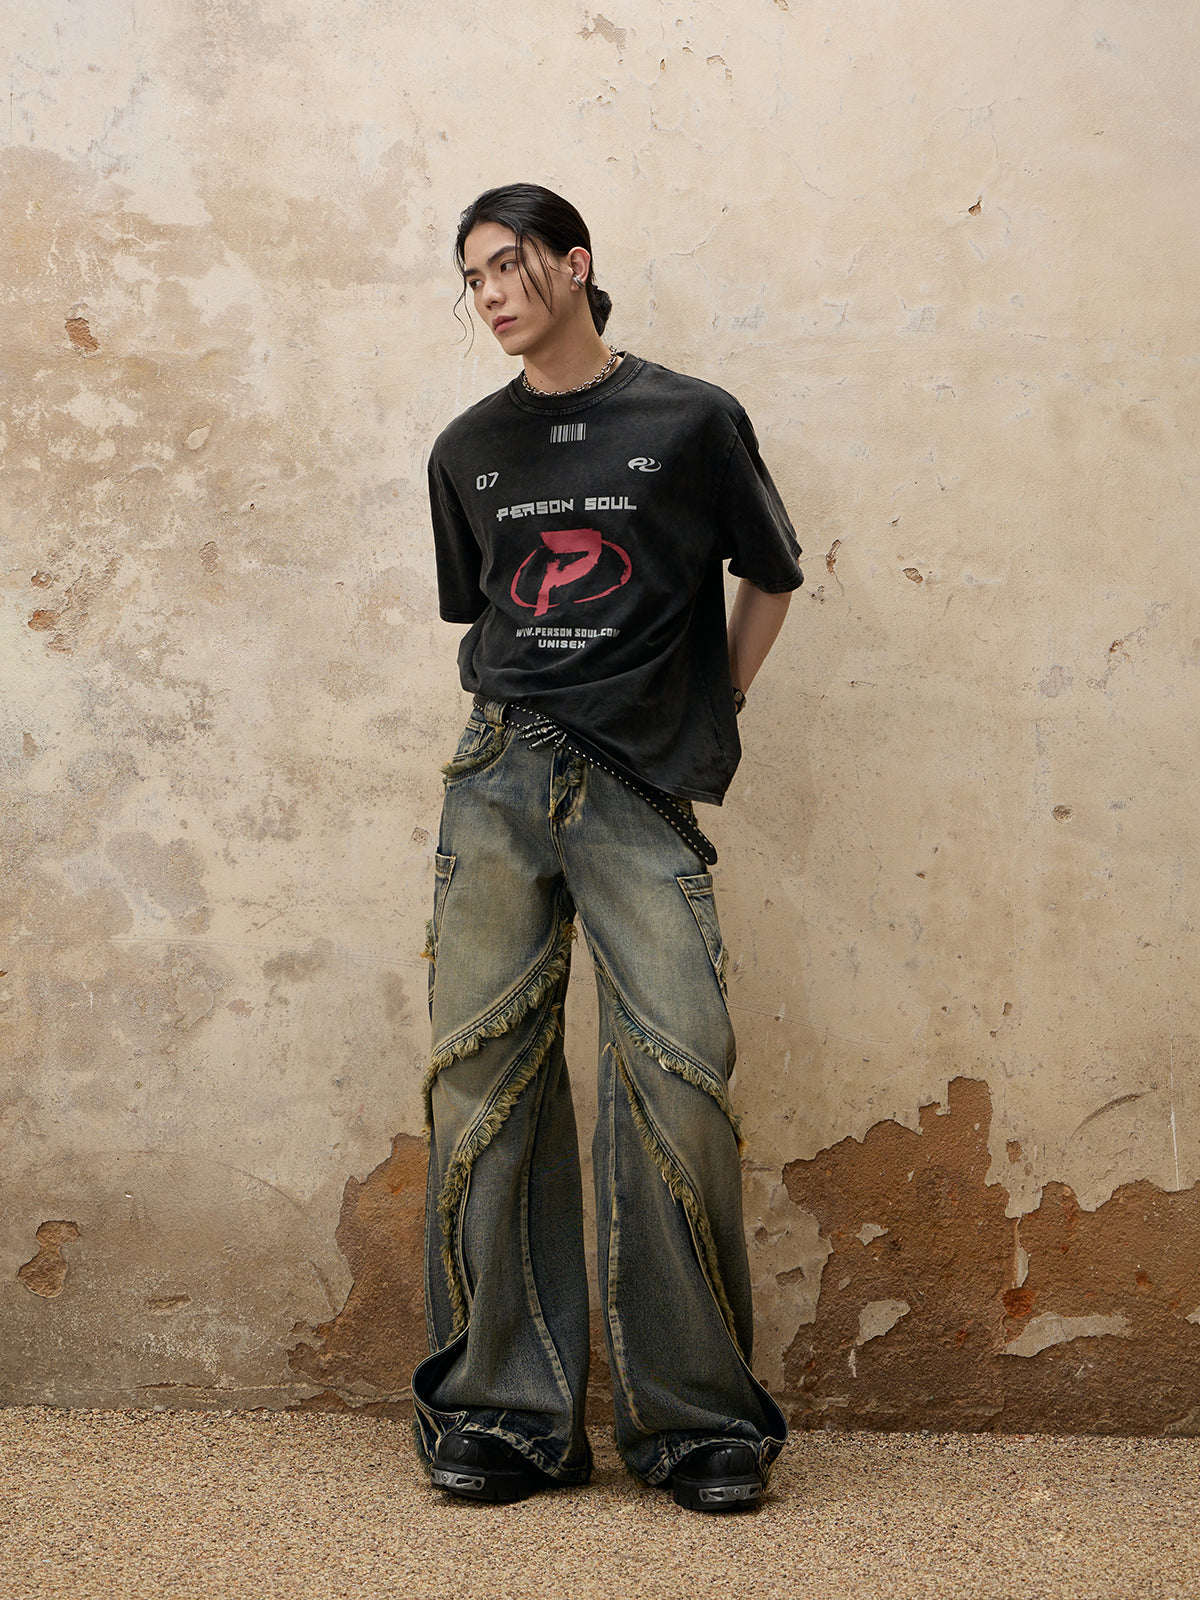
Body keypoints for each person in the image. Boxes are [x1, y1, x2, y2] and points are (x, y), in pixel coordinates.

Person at [411, 182, 802, 1513]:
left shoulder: (690, 419)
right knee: (482, 1081)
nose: (491, 295)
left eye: (508, 265)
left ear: (575, 264)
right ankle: (503, 1415)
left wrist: (712, 706)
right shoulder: (468, 447)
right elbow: (487, 613)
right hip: (499, 777)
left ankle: (696, 1424)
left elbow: (771, 576)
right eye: (471, 278)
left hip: (639, 784)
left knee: (680, 1080)